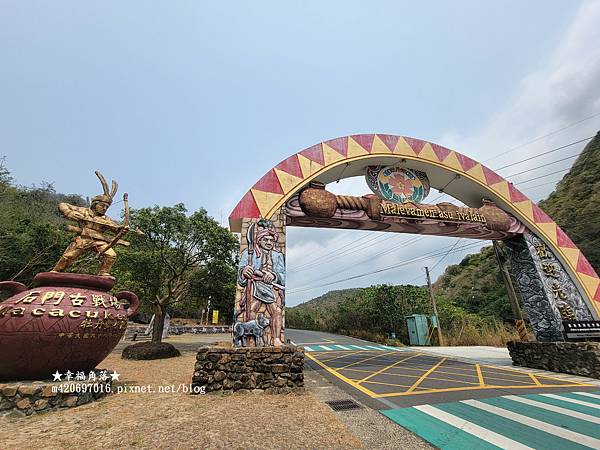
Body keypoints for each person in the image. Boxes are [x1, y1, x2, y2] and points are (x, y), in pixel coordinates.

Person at [52, 171, 129, 276]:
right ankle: (56, 271)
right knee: (69, 256)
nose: (104, 208)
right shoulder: (84, 211)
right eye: (102, 205)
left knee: (111, 255)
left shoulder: (106, 219)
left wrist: (122, 229)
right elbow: (62, 205)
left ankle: (103, 273)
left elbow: (116, 228)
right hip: (84, 238)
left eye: (107, 207)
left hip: (100, 241)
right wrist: (69, 212)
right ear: (95, 204)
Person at [237, 219, 285, 346]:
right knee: (251, 310)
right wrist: (244, 271)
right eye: (265, 240)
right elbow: (240, 275)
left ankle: (276, 338)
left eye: (271, 240)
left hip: (270, 288)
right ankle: (251, 338)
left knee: (277, 312)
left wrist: (273, 275)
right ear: (259, 240)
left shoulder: (278, 256)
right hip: (254, 286)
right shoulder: (248, 254)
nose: (269, 242)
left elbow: (282, 277)